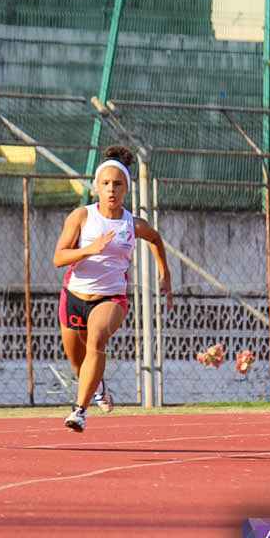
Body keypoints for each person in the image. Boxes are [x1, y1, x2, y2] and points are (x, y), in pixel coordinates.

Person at [53, 144, 173, 432]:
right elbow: (59, 257)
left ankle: (79, 411)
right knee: (77, 362)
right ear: (96, 186)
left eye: (117, 184)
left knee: (96, 339)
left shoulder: (133, 224)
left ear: (126, 189)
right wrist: (89, 249)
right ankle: (98, 387)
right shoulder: (81, 217)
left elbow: (156, 239)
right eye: (105, 183)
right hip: (73, 296)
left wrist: (165, 274)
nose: (111, 189)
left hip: (111, 298)